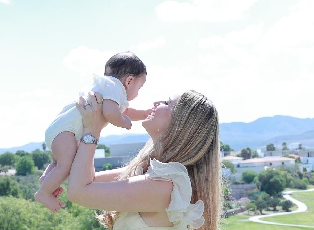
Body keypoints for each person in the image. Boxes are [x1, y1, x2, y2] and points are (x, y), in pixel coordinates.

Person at [67, 90, 221, 229]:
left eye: (167, 103)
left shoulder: (166, 187)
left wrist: (92, 130)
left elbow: (78, 192)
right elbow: (87, 180)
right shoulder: (151, 172)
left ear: (183, 123)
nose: (156, 103)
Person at [35, 51, 151, 212]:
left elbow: (124, 110)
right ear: (129, 81)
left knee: (58, 163)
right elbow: (112, 113)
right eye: (140, 87)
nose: (138, 93)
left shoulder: (108, 89)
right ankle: (43, 193)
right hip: (66, 131)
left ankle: (46, 179)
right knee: (65, 165)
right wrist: (123, 122)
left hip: (62, 129)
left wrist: (144, 114)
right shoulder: (115, 87)